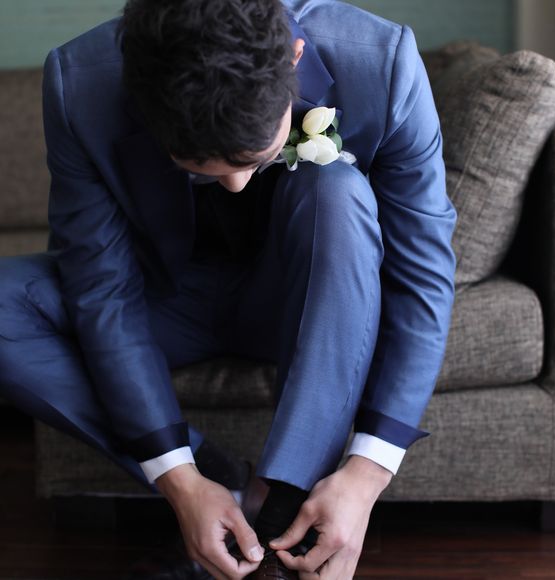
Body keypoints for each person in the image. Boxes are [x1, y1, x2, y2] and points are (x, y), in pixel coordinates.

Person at [0, 0, 457, 578]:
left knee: (336, 191)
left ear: (293, 59)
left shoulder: (383, 63)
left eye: (252, 158)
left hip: (305, 300)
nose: (236, 185)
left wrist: (367, 474)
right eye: (200, 166)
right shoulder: (78, 82)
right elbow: (101, 286)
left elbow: (422, 276)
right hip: (165, 298)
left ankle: (282, 517)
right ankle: (221, 481)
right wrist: (179, 477)